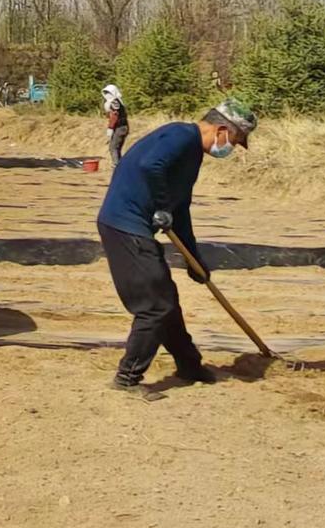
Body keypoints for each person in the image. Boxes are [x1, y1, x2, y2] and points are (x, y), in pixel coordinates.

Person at [96, 97, 258, 393]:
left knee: (166, 300)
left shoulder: (191, 154)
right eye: (234, 141)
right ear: (222, 130)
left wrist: (194, 261)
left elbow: (179, 210)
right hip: (124, 225)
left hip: (135, 228)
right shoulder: (181, 135)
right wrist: (161, 206)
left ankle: (189, 365)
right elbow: (150, 165)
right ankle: (127, 378)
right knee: (155, 306)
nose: (231, 148)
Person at [103, 84, 130, 168]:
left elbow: (114, 116)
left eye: (109, 92)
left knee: (113, 147)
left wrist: (110, 128)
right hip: (122, 127)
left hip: (120, 127)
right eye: (106, 93)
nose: (107, 95)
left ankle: (117, 166)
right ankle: (121, 166)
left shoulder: (114, 102)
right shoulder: (116, 101)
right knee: (117, 148)